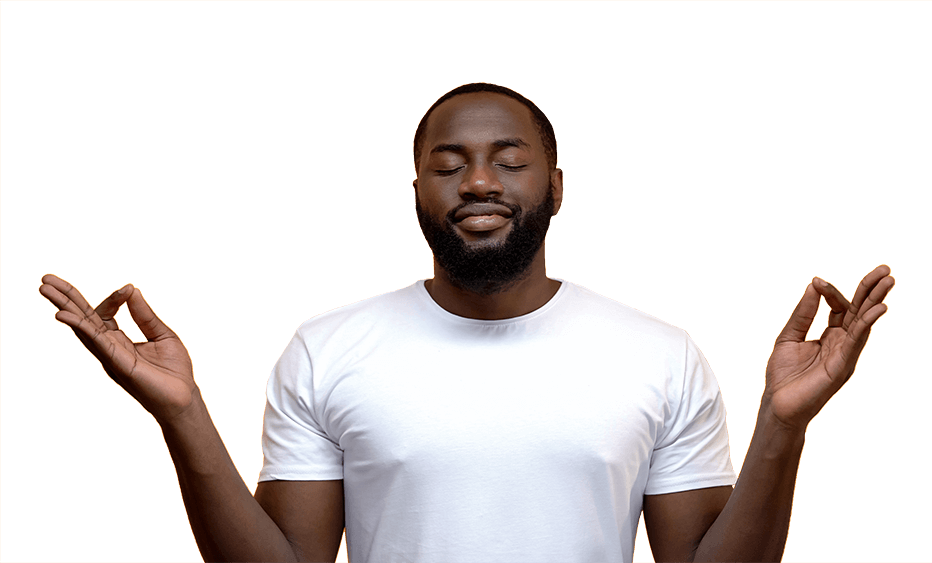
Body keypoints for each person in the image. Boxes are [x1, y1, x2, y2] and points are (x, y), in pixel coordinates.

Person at [39, 82, 895, 563]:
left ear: (556, 187)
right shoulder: (328, 345)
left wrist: (784, 427)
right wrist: (182, 415)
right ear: (417, 193)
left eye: (508, 160)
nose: (479, 180)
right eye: (448, 165)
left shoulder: (658, 352)